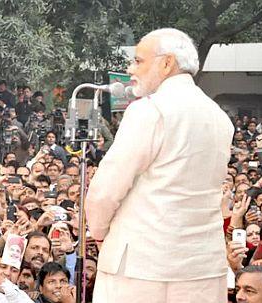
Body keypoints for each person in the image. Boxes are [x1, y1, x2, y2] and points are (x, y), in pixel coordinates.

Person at [85, 28, 234, 302]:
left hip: (142, 269)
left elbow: (104, 192)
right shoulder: (220, 117)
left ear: (166, 63)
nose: (131, 69)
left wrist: (99, 233)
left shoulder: (149, 110)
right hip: (203, 268)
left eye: (139, 61)